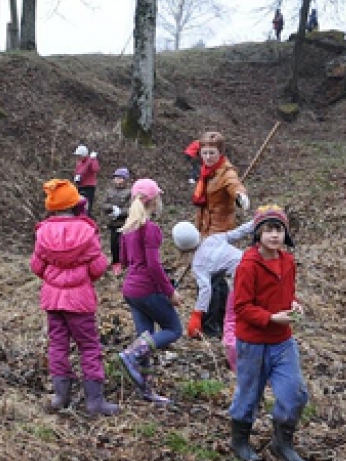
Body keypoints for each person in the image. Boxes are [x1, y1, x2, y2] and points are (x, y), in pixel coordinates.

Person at [31, 179, 118, 416]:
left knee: (58, 345)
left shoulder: (42, 232)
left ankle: (60, 396)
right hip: (80, 300)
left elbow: (36, 267)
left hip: (53, 300)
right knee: (89, 347)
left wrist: (54, 275)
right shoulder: (87, 231)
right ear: (74, 204)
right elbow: (98, 268)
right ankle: (94, 401)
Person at [229, 205, 307, 461]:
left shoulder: (288, 262)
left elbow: (286, 293)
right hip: (252, 342)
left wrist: (293, 304)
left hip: (282, 341)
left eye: (279, 230)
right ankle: (239, 440)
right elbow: (241, 306)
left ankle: (282, 441)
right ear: (258, 234)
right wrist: (270, 318)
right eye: (268, 230)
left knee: (294, 392)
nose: (274, 235)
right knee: (249, 392)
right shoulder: (248, 266)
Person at [117, 178, 182, 405]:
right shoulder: (150, 229)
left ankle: (147, 391)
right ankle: (130, 355)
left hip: (131, 290)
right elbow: (153, 266)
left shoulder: (127, 229)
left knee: (145, 340)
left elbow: (124, 261)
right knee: (174, 329)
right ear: (153, 200)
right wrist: (170, 292)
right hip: (146, 289)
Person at [173, 219, 254, 344]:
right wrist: (256, 221)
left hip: (242, 277)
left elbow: (206, 289)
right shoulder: (214, 238)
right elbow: (239, 232)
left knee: (239, 307)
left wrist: (197, 314)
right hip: (254, 263)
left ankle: (232, 336)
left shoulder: (198, 264)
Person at [192, 131, 249, 237]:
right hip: (204, 228)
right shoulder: (206, 171)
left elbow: (234, 184)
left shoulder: (226, 172)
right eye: (205, 153)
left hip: (221, 231)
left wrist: (240, 195)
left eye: (212, 153)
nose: (208, 157)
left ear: (220, 153)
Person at [99, 168, 131, 276]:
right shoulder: (109, 191)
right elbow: (103, 204)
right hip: (113, 223)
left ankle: (126, 262)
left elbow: (131, 208)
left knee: (125, 244)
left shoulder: (129, 192)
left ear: (125, 180)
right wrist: (112, 208)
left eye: (120, 178)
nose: (118, 180)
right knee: (114, 244)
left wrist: (120, 212)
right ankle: (116, 263)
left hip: (125, 224)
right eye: (116, 178)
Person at [72, 145, 100, 214]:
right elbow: (77, 172)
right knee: (78, 206)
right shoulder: (79, 163)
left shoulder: (91, 160)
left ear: (84, 155)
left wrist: (93, 160)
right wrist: (76, 177)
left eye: (79, 155)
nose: (78, 157)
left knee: (87, 207)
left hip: (89, 187)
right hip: (80, 186)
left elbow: (95, 169)